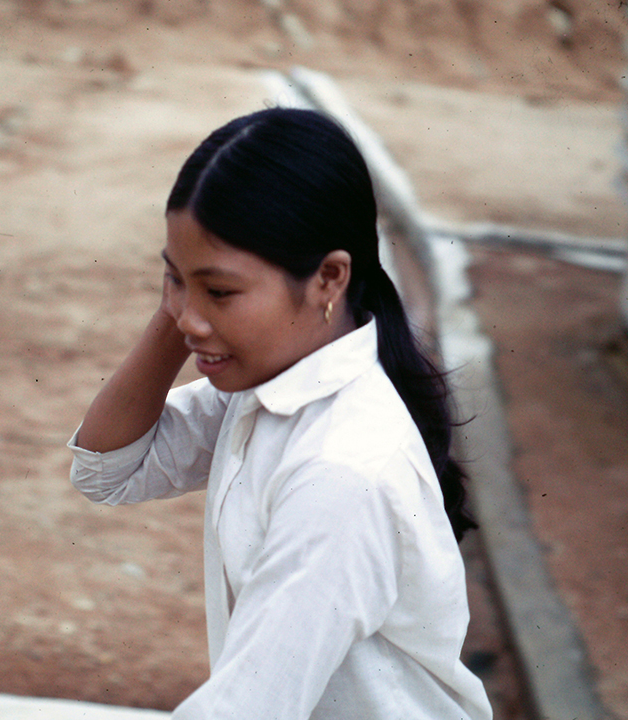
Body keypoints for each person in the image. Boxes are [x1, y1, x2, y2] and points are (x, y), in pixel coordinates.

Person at [68, 107, 492, 720]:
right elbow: (107, 469)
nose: (189, 317)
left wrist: (191, 297)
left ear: (329, 278)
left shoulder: (341, 473)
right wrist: (186, 305)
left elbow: (248, 707)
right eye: (174, 279)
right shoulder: (268, 386)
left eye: (220, 291)